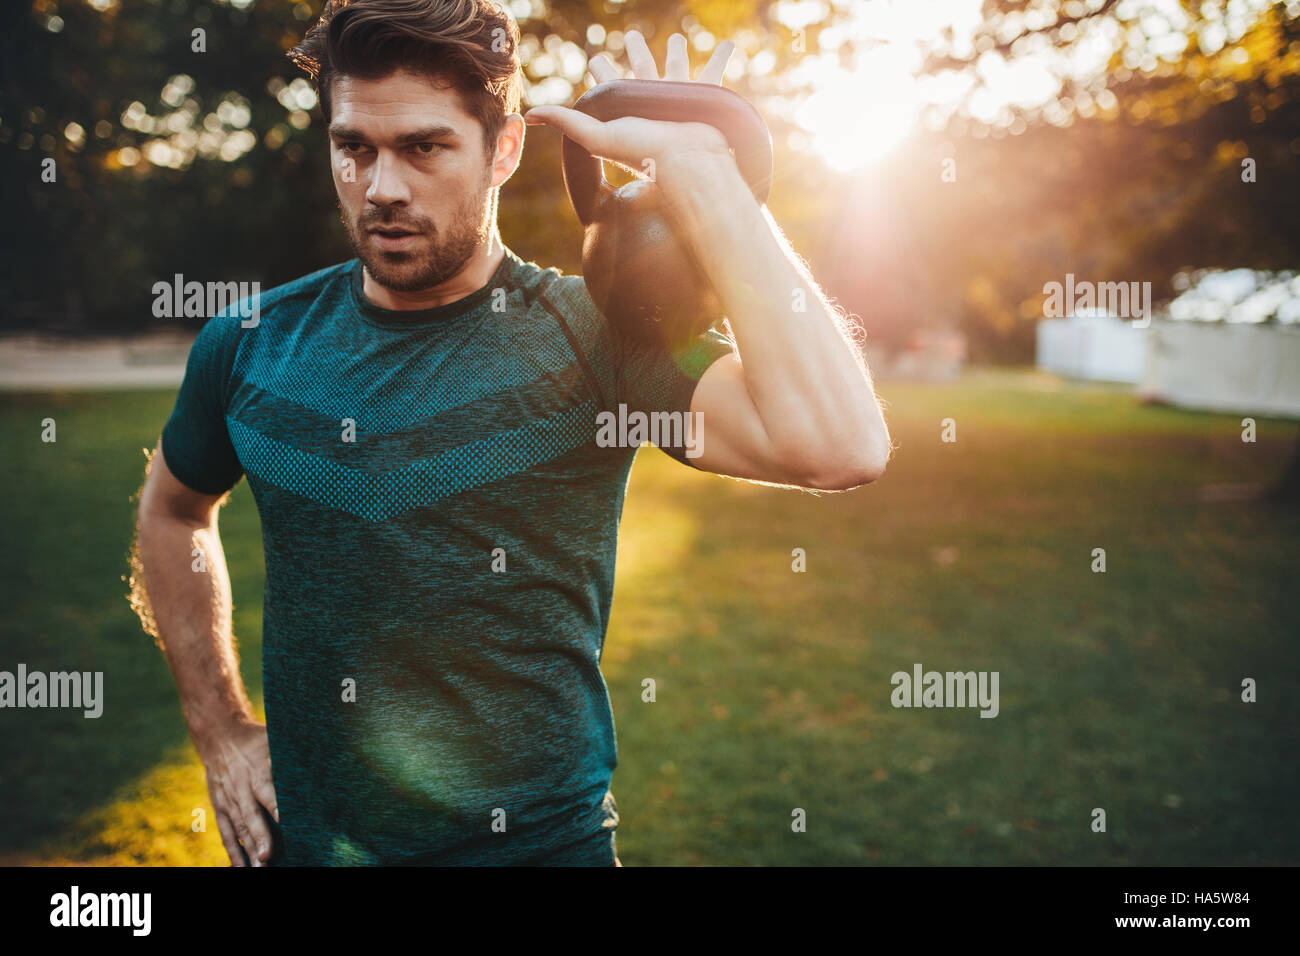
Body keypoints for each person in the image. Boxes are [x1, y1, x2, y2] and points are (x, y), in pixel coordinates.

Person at [131, 0, 891, 867]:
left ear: (505, 150)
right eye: (355, 148)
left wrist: (704, 176)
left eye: (423, 147)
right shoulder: (250, 345)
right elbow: (173, 511)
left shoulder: (598, 340)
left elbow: (842, 446)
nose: (382, 187)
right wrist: (220, 726)